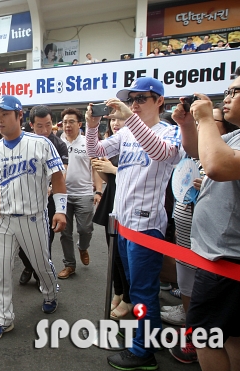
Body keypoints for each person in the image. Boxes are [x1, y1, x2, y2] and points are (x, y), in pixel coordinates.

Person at [86, 77, 182, 370]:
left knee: (143, 292)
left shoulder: (171, 132)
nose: (135, 104)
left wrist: (130, 119)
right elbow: (95, 152)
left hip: (147, 226)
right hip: (124, 224)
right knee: (137, 289)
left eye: (142, 98)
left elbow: (160, 152)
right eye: (132, 100)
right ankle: (145, 341)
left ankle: (143, 352)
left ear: (159, 101)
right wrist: (91, 126)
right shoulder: (127, 133)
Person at [0, 95, 67, 342]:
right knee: (1, 271)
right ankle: (2, 318)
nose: (0, 121)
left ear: (20, 116)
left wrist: (60, 209)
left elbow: (58, 177)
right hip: (3, 219)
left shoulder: (41, 143)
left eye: (5, 115)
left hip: (33, 217)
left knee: (41, 264)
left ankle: (50, 293)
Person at [168, 87, 240, 368]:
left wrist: (207, 120)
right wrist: (187, 124)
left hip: (227, 259)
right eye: (228, 90)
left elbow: (216, 165)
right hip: (222, 256)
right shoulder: (234, 136)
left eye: (236, 90)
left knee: (205, 337)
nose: (229, 96)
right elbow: (198, 150)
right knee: (231, 335)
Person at [19, 105, 68, 286]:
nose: (45, 130)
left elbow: (62, 174)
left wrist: (50, 188)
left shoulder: (58, 144)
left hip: (48, 201)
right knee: (20, 244)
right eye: (40, 126)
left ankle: (42, 275)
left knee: (44, 241)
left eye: (48, 125)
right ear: (31, 124)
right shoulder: (21, 141)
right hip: (23, 200)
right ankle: (28, 266)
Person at [91, 118, 133, 319]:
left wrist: (114, 170)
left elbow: (141, 172)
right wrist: (103, 169)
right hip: (113, 201)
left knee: (126, 257)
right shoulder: (111, 143)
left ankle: (129, 298)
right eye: (113, 119)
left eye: (120, 118)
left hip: (131, 205)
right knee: (113, 254)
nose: (116, 122)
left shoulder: (139, 141)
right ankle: (118, 291)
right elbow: (110, 179)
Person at [58, 108, 103, 279]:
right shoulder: (58, 141)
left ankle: (83, 247)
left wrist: (98, 190)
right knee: (65, 232)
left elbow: (96, 168)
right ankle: (69, 265)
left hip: (84, 193)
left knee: (85, 229)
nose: (67, 125)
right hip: (63, 195)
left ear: (79, 124)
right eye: (65, 122)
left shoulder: (88, 142)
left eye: (71, 122)